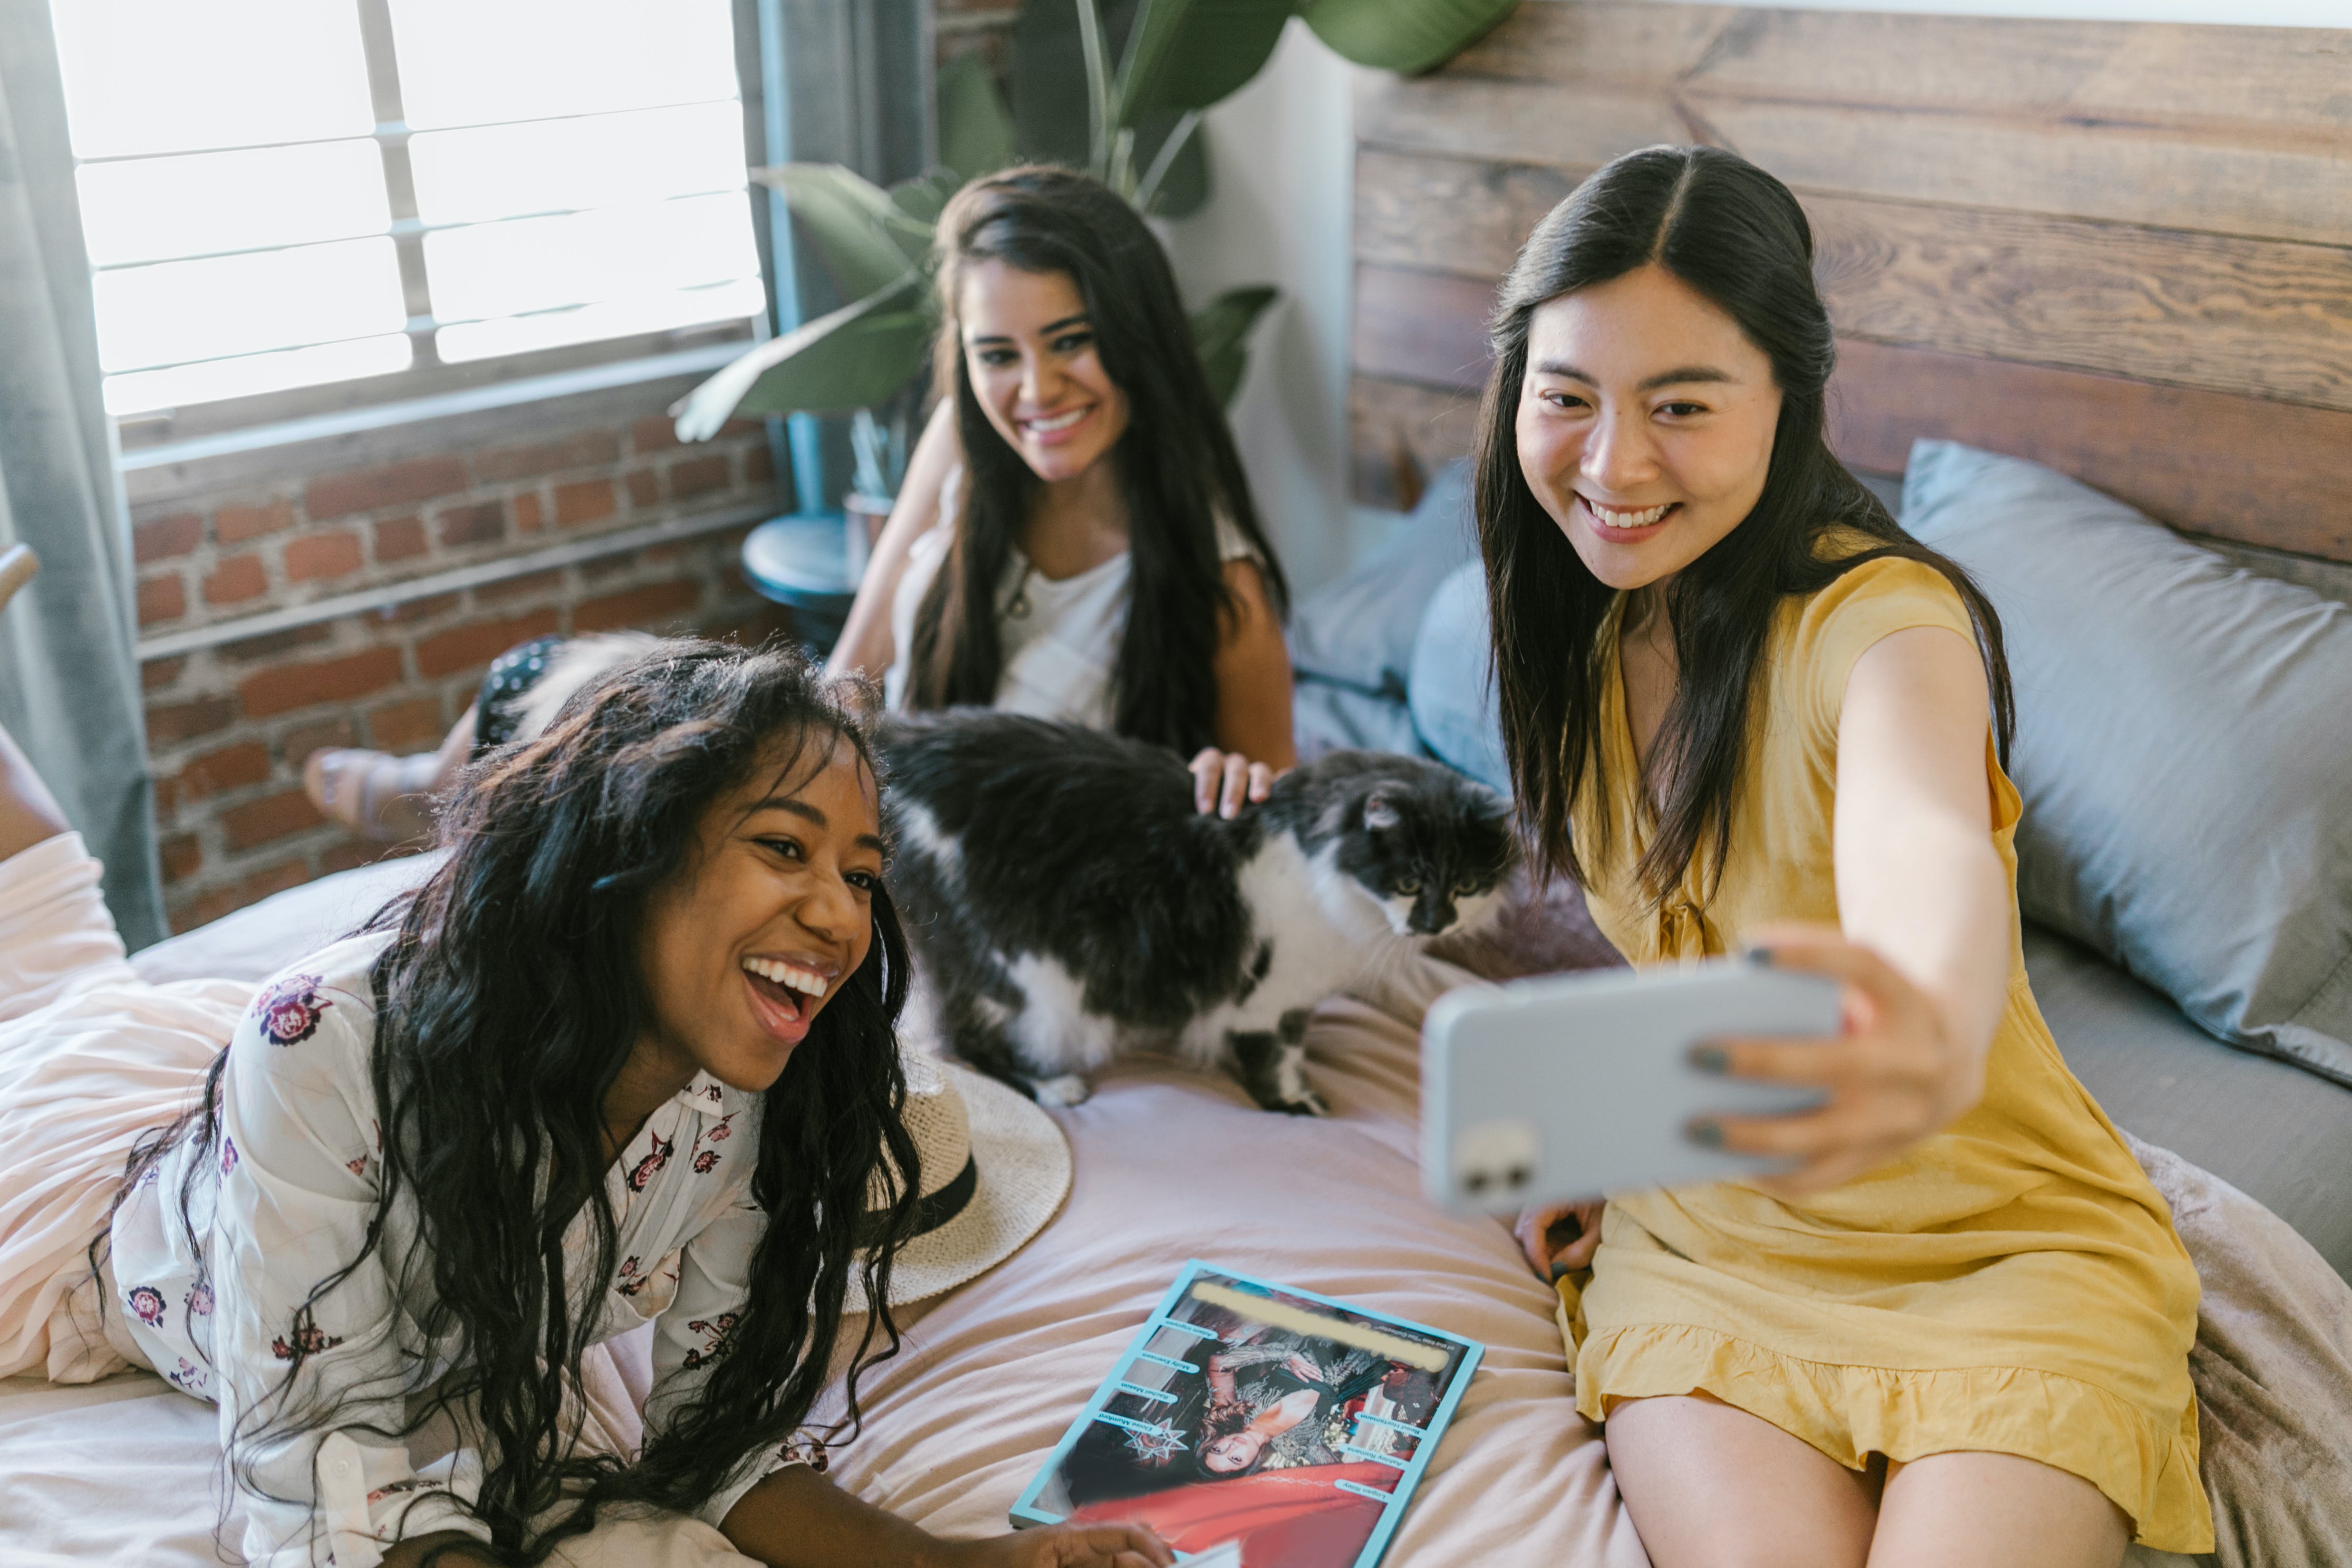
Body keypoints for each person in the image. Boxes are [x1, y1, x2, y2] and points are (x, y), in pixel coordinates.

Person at [0, 575, 1168, 1567]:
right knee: (56, 971)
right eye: (782, 848)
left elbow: (711, 1439)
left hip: (262, 1114)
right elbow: (315, 1463)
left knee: (66, 952)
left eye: (862, 874)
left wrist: (982, 1561)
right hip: (80, 1200)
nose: (837, 913)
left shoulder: (737, 1093)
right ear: (635, 845)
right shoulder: (330, 1047)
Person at [1484, 148, 2208, 1566]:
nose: (1612, 464)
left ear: (1789, 404)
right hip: (1709, 1250)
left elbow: (1920, 853)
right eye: (1565, 396)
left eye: (1680, 406)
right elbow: (1683, 943)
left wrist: (1919, 1026)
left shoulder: (1886, 631)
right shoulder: (1570, 623)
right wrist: (1602, 1118)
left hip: (2000, 1249)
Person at [826, 165, 1295, 820]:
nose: (1037, 390)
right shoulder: (957, 439)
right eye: (997, 355)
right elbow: (854, 677)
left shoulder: (1224, 590)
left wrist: (1237, 792)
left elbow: (1284, 840)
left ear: (1138, 338)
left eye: (1070, 341)